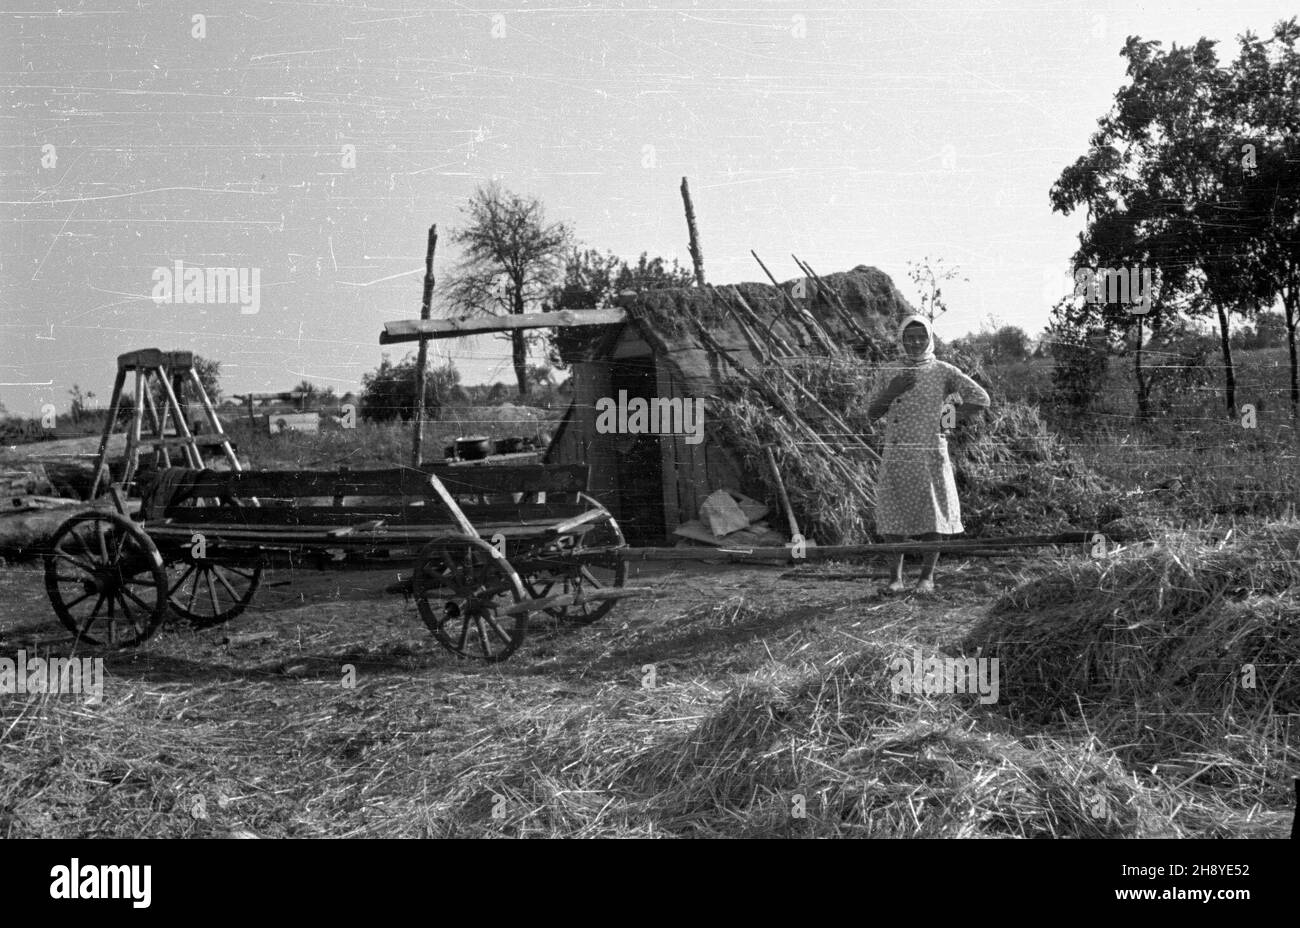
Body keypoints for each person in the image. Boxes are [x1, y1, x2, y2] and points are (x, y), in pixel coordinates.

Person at [866, 315, 990, 594]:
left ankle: (926, 578)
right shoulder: (889, 371)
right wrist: (893, 390)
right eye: (909, 337)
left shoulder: (943, 371)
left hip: (930, 450)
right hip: (897, 450)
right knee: (892, 513)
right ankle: (895, 579)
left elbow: (981, 399)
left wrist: (947, 420)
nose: (915, 342)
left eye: (921, 336)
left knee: (933, 512)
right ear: (901, 339)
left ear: (930, 338)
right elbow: (872, 413)